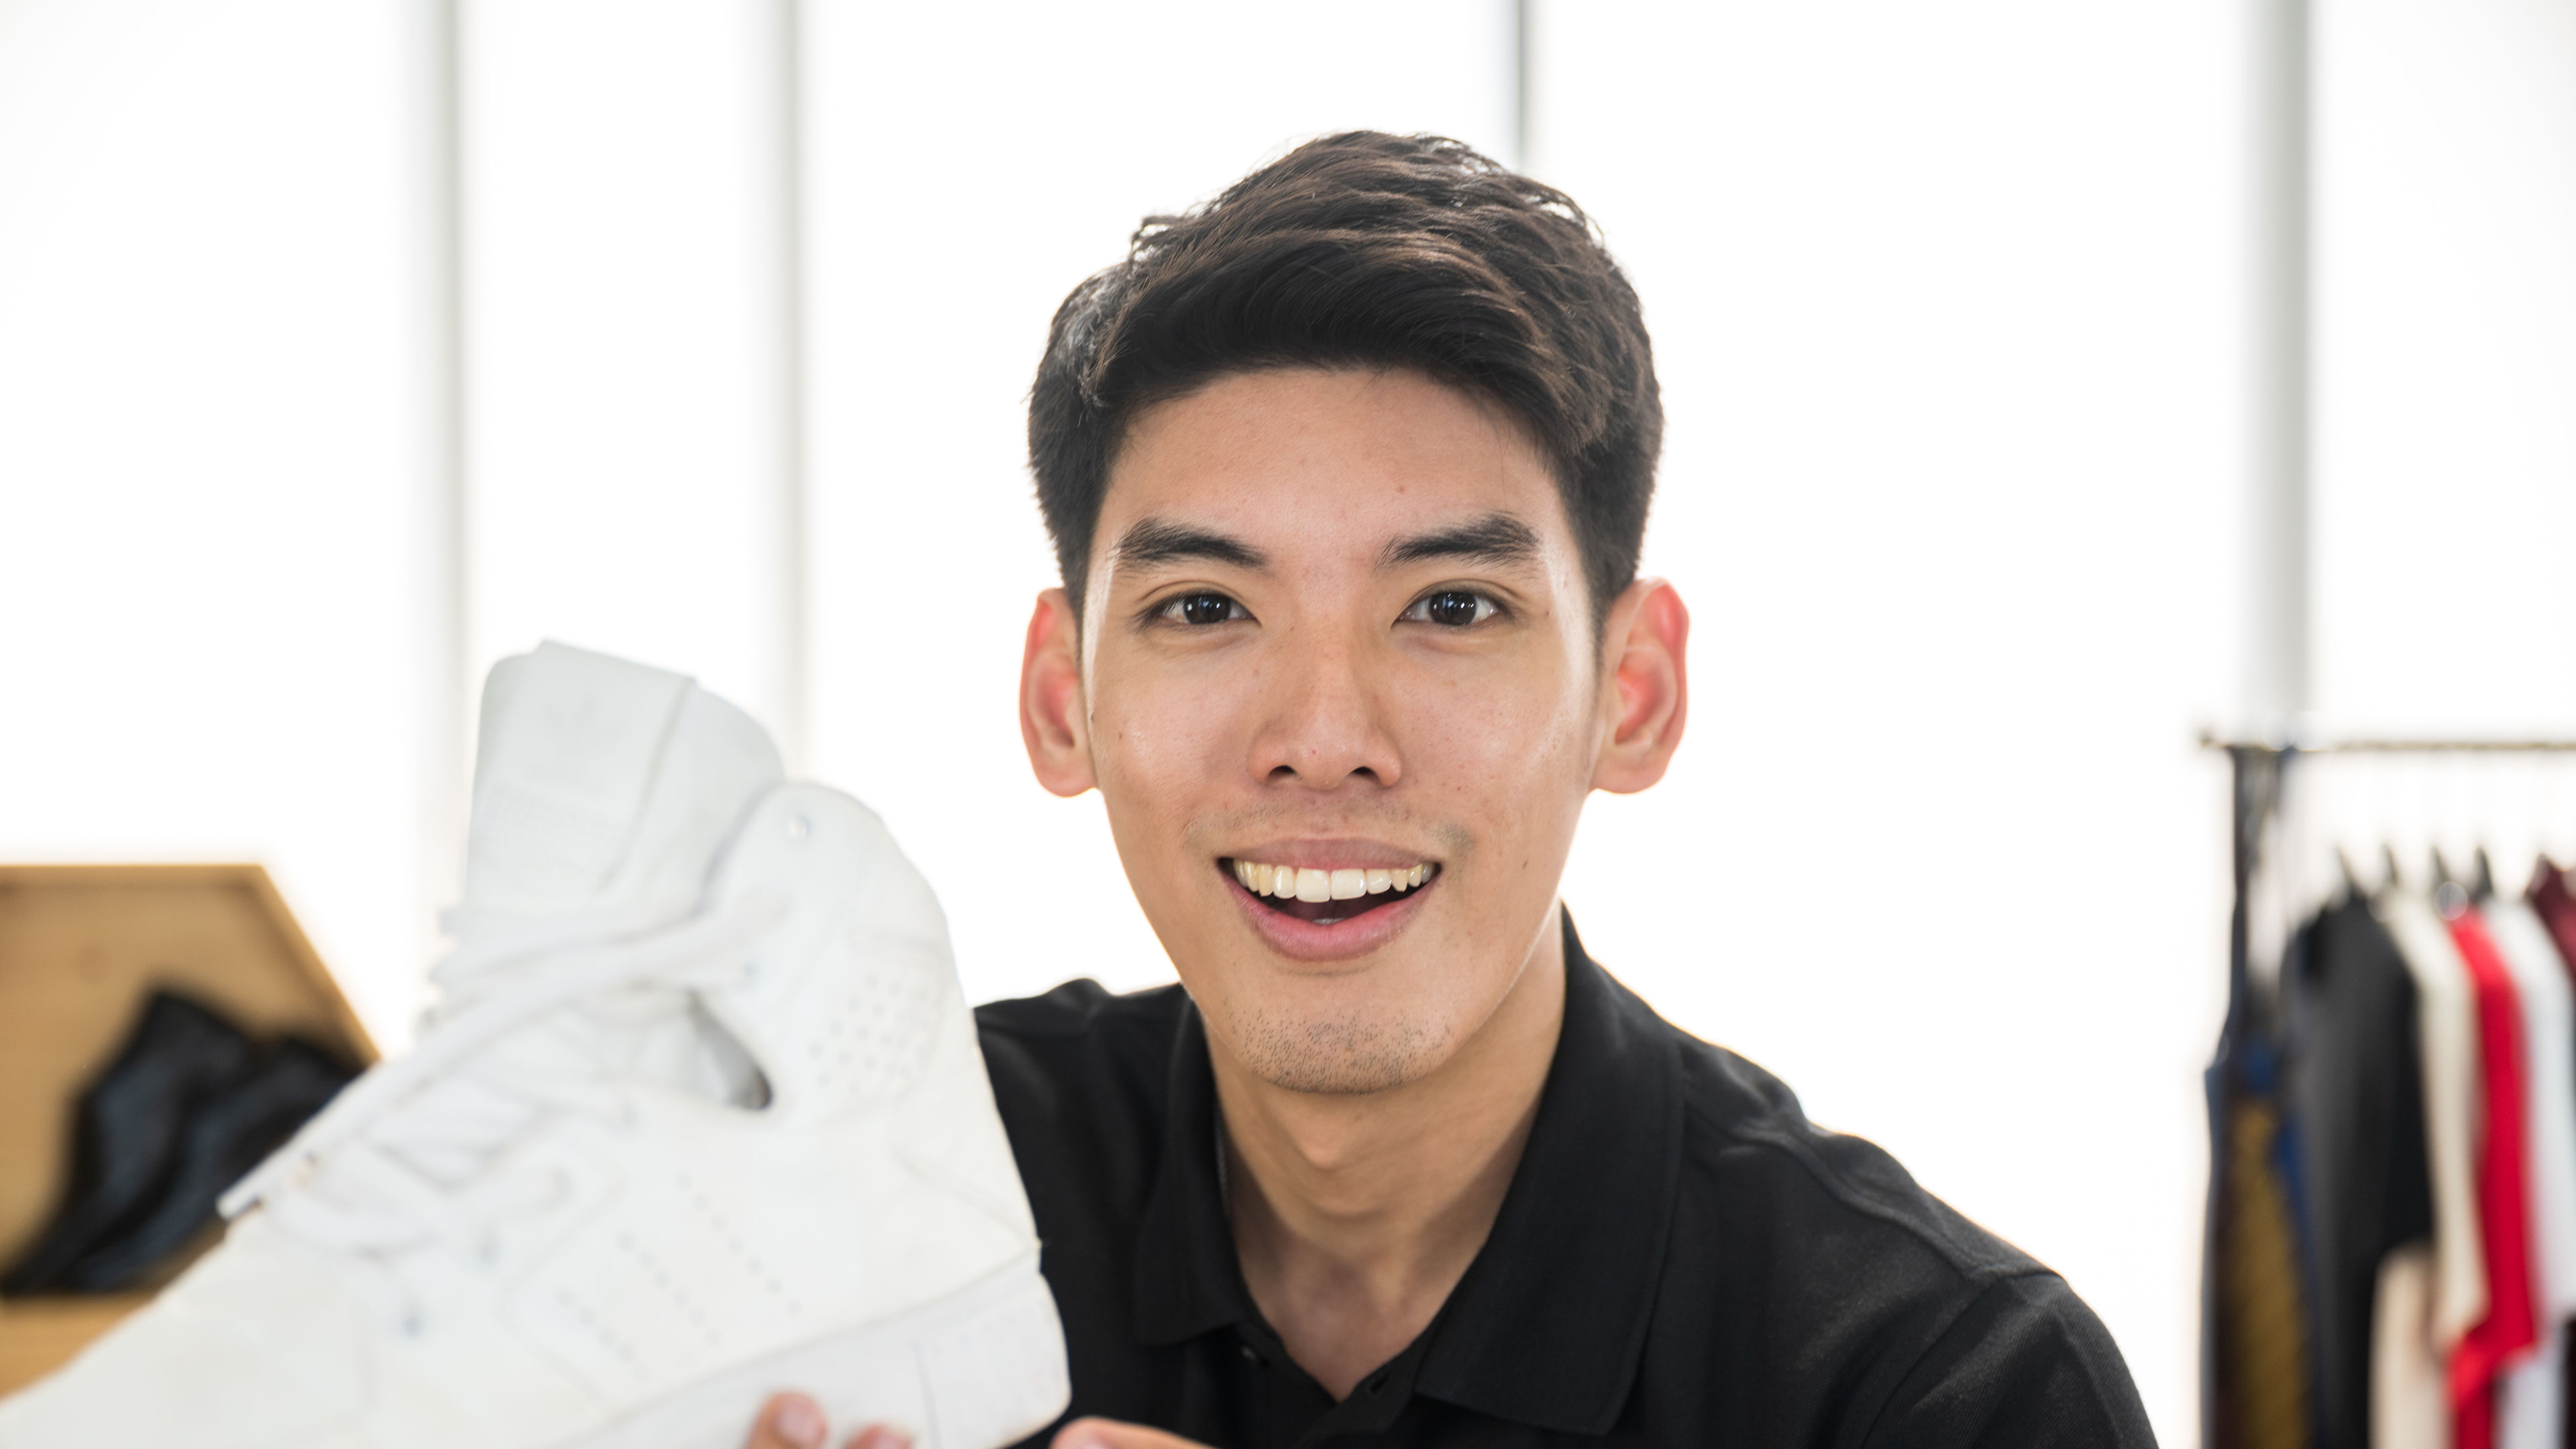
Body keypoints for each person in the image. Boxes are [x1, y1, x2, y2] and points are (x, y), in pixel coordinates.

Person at [744, 131, 2155, 1449]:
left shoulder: (1936, 1389)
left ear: (1633, 693)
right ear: (1065, 701)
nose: (1323, 735)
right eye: (1202, 609)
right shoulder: (848, 1215)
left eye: (1456, 607)